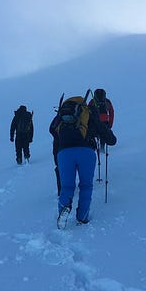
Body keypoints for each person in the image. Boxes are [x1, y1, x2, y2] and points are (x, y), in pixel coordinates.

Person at [50, 95, 117, 227]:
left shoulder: (62, 117)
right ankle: (82, 217)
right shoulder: (89, 113)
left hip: (64, 153)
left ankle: (63, 209)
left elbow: (52, 130)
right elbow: (110, 139)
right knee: (86, 186)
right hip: (86, 152)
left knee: (67, 187)